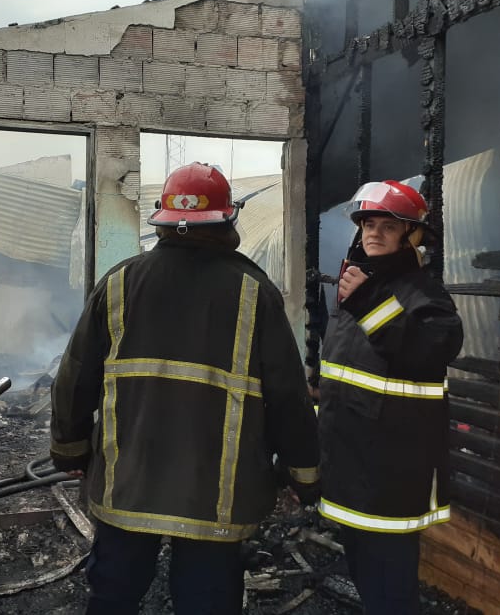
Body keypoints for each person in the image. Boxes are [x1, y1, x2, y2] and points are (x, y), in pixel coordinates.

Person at [50, 162, 320, 615]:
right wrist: (303, 474)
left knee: (114, 593)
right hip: (217, 491)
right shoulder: (255, 293)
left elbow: (75, 378)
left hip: (127, 483)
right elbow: (289, 398)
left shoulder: (118, 284)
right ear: (227, 219)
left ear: (162, 218)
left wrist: (70, 450)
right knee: (207, 600)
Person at [311, 180, 463, 614]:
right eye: (367, 224)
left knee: (391, 588)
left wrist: (367, 304)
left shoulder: (424, 295)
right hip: (348, 461)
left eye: (388, 226)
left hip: (391, 472)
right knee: (363, 573)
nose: (372, 233)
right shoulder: (355, 289)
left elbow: (432, 350)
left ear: (412, 236)